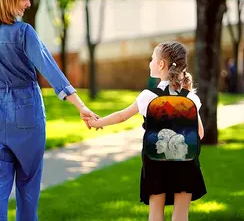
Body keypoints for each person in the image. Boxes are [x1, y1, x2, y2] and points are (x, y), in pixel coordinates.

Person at [0, 0, 97, 221]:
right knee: (27, 186)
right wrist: (80, 105)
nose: (29, 4)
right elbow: (51, 69)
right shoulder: (23, 32)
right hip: (26, 113)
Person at [88, 41, 206, 221]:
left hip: (156, 163)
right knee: (181, 215)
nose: (150, 63)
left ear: (161, 65)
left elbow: (121, 116)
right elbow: (200, 134)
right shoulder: (191, 98)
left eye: (152, 59)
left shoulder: (148, 96)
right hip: (185, 163)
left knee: (155, 214)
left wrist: (97, 123)